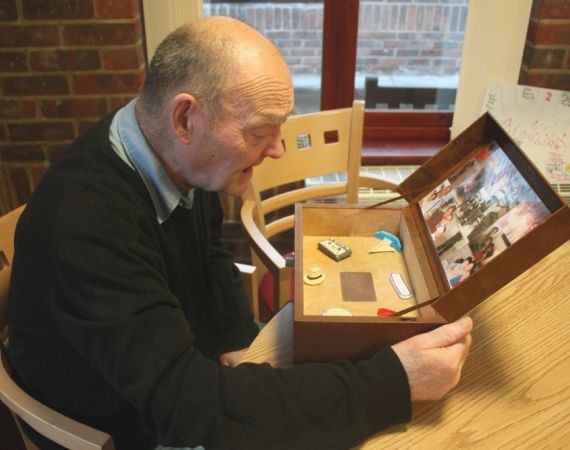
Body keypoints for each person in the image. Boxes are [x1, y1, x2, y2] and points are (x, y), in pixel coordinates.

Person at [7, 17, 473, 450]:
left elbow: (211, 249)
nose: (277, 149)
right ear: (185, 118)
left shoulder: (173, 153)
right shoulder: (85, 225)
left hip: (177, 365)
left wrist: (234, 337)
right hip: (115, 421)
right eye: (260, 131)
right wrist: (397, 382)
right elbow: (189, 409)